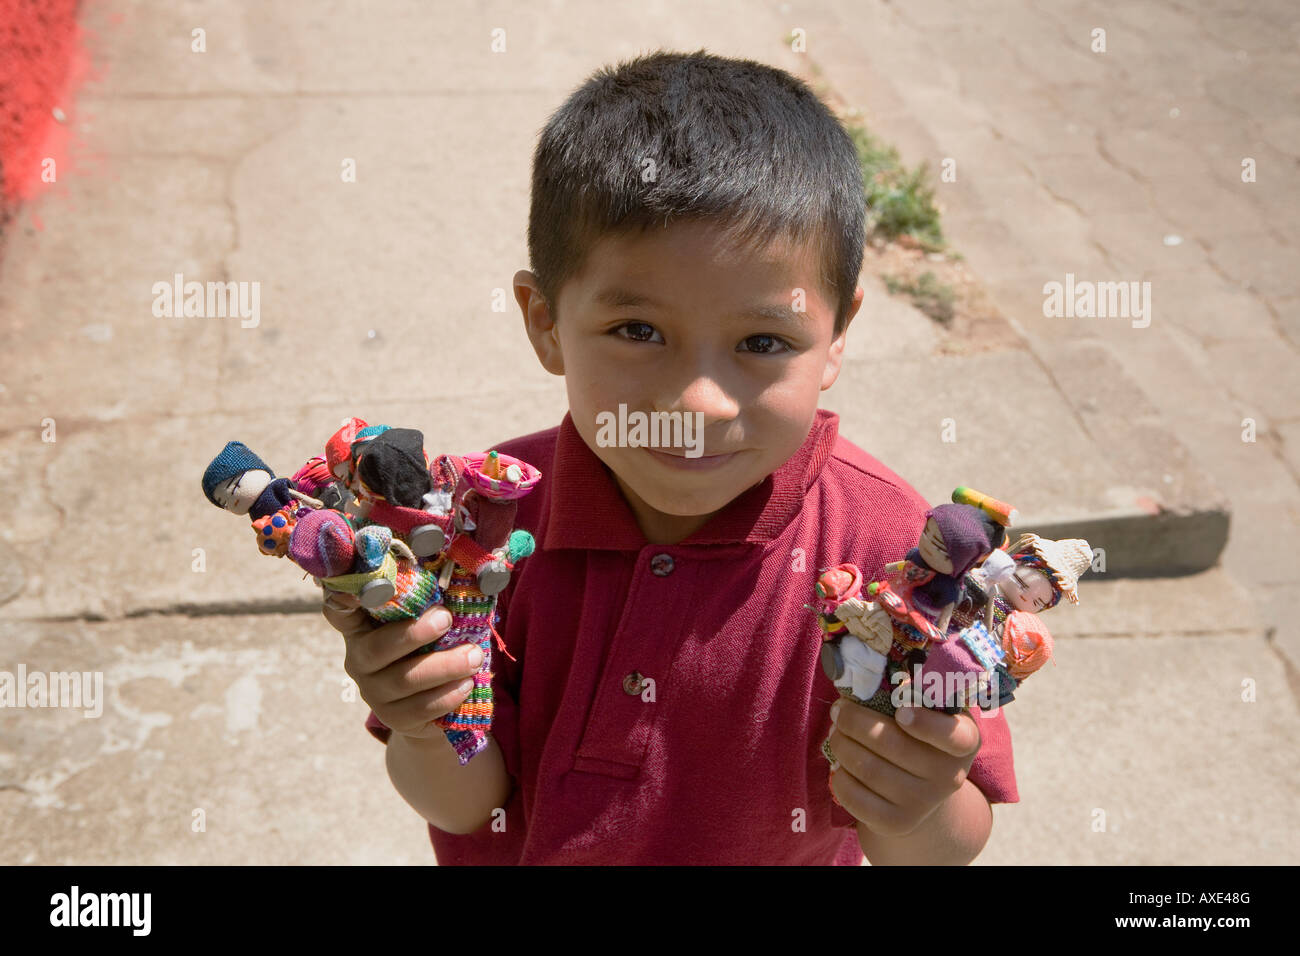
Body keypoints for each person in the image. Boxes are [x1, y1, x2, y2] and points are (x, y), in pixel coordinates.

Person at [321, 49, 1017, 865]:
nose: (698, 404)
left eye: (763, 342)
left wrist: (912, 803)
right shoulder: (479, 524)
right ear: (545, 321)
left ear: (836, 338)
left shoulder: (898, 551)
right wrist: (422, 719)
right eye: (638, 332)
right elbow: (466, 806)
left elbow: (948, 845)